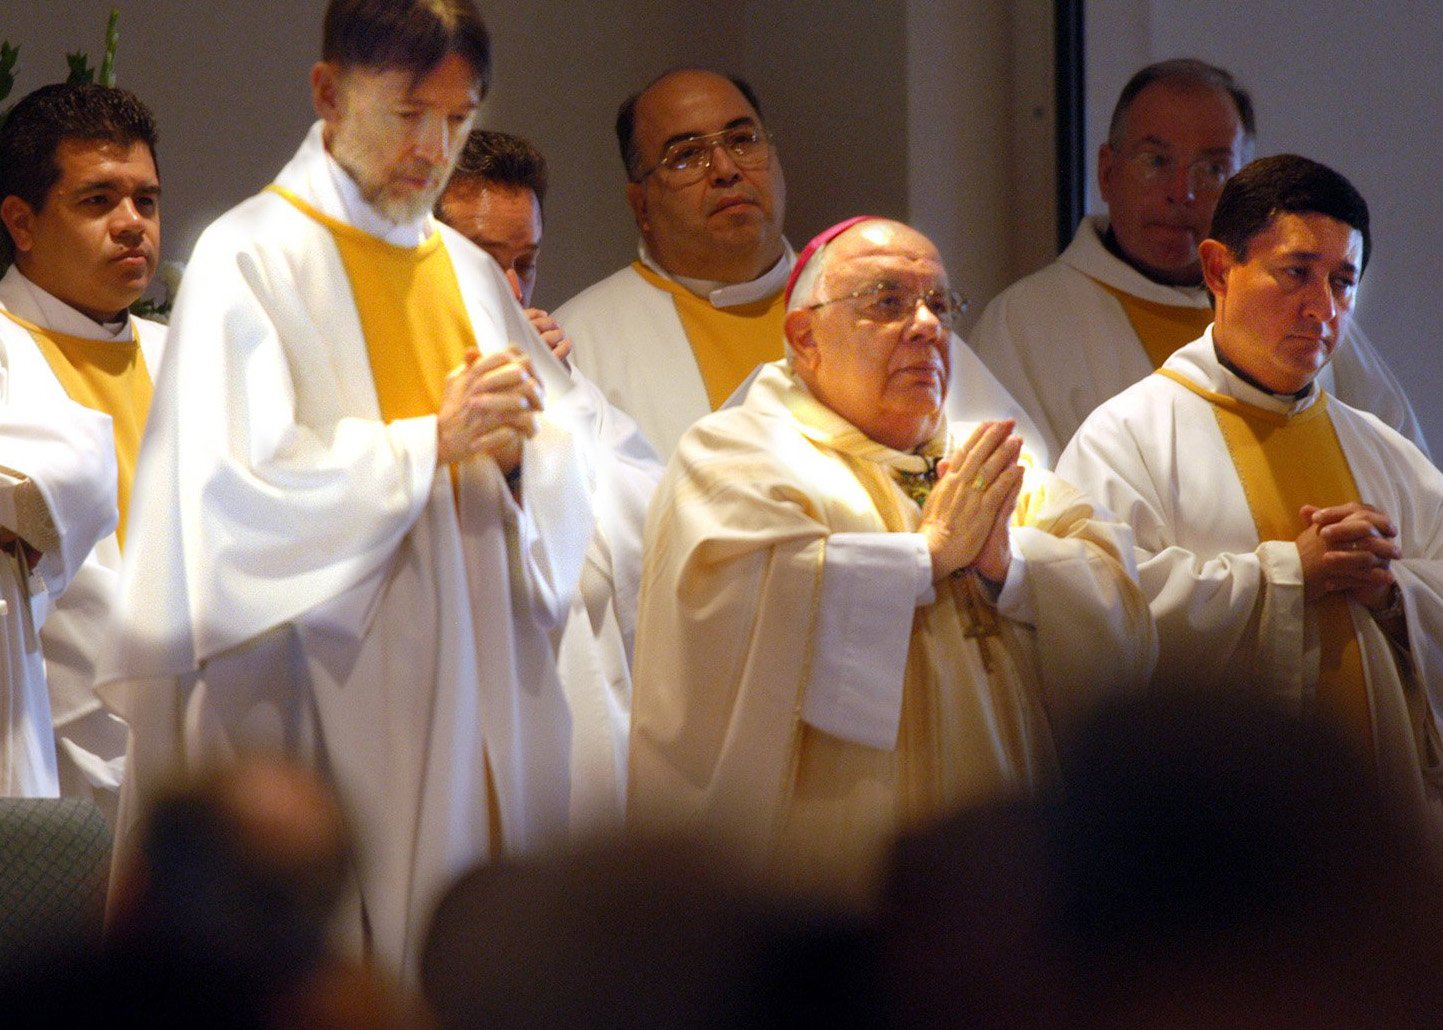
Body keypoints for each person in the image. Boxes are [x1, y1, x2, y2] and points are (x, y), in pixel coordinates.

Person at [98, 0, 602, 977]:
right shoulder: (251, 259)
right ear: (330, 93)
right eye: (408, 112)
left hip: (472, 672)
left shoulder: (465, 266)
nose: (435, 148)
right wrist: (430, 444)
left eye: (458, 119)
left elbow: (567, 474)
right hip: (313, 688)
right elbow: (223, 507)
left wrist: (521, 456)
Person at [629, 217, 1155, 898]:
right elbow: (736, 619)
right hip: (829, 868)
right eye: (886, 302)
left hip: (997, 865)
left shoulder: (988, 462)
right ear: (804, 337)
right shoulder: (737, 456)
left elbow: (1121, 610)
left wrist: (1010, 566)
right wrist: (924, 558)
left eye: (938, 304)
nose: (926, 326)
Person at [1057, 155, 1443, 834]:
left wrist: (1391, 593)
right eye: (1296, 273)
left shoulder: (1383, 454)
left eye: (1342, 282)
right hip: (1207, 839)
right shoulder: (1126, 439)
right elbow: (1091, 625)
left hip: (1374, 832)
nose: (1323, 308)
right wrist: (1289, 575)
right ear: (1216, 270)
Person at [554, 68, 1044, 461]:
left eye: (744, 140)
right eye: (686, 156)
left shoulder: (894, 311)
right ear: (640, 206)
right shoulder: (581, 342)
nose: (726, 170)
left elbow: (1021, 480)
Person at [972, 58, 1427, 460]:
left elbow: (1411, 491)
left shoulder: (1310, 317)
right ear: (1108, 173)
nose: (1181, 193)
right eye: (1155, 160)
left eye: (1212, 170)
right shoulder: (1024, 324)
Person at [437, 128, 664, 832]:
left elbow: (650, 525)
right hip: (442, 709)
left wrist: (558, 412)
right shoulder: (371, 376)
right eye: (481, 262)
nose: (508, 290)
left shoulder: (567, 391)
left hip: (562, 687)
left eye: (525, 264)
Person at [0, 83, 166, 812]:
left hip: (198, 756)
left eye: (146, 201)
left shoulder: (190, 356)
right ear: (22, 222)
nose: (132, 225)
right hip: (52, 762)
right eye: (98, 201)